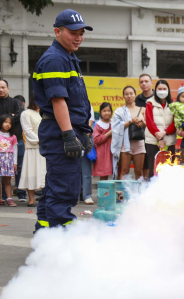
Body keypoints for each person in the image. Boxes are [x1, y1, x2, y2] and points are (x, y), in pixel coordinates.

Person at [32, 9, 93, 230]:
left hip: (65, 129)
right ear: (57, 31)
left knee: (56, 186)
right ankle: (61, 241)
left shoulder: (67, 57)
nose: (79, 37)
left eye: (82, 33)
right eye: (73, 32)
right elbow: (59, 101)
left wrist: (83, 132)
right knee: (64, 189)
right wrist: (69, 135)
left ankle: (45, 236)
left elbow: (77, 103)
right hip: (59, 131)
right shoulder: (55, 59)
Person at [112, 86, 146, 179]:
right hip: (125, 143)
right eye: (126, 94)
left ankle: (139, 193)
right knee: (124, 170)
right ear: (123, 96)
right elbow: (116, 127)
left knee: (139, 171)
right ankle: (122, 193)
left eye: (131, 93)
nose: (129, 96)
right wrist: (131, 121)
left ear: (135, 95)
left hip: (139, 143)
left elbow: (148, 126)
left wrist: (141, 122)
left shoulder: (142, 109)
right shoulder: (120, 111)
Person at [0, 81, 25, 202]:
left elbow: (19, 115)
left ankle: (21, 193)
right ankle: (4, 196)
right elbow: (11, 118)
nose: (1, 89)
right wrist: (11, 116)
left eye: (3, 87)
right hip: (1, 141)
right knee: (2, 170)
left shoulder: (16, 102)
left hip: (16, 139)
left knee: (18, 167)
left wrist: (5, 117)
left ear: (8, 88)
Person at [19, 94, 45, 207]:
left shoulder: (44, 114)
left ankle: (44, 198)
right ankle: (31, 199)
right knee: (31, 172)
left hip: (44, 148)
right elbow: (27, 130)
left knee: (43, 173)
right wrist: (39, 140)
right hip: (32, 147)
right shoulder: (26, 113)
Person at [145, 80, 176, 177]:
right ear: (155, 90)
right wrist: (160, 138)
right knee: (153, 170)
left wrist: (165, 132)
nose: (162, 91)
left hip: (169, 141)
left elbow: (175, 123)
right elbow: (150, 123)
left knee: (169, 169)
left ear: (168, 90)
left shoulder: (173, 105)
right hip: (153, 142)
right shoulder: (150, 103)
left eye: (164, 89)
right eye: (159, 89)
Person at [135, 74, 154, 180]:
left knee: (156, 161)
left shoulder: (158, 97)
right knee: (145, 162)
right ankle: (145, 186)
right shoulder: (137, 99)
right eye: (141, 82)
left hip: (156, 134)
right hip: (142, 134)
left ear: (152, 83)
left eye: (146, 81)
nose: (144, 84)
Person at [0, 115, 18, 207]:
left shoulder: (13, 136)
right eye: (6, 122)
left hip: (8, 159)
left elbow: (15, 150)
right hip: (0, 158)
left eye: (10, 123)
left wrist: (15, 163)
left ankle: (9, 198)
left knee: (7, 181)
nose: (8, 124)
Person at [92, 102, 113, 180]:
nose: (107, 113)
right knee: (104, 174)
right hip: (103, 152)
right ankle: (103, 192)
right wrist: (109, 133)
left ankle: (110, 191)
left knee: (115, 172)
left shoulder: (114, 122)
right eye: (104, 111)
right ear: (100, 112)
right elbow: (96, 140)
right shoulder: (98, 125)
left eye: (108, 110)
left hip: (113, 151)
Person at [81, 103, 95, 205]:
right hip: (70, 138)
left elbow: (90, 124)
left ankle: (87, 196)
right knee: (72, 171)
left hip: (84, 139)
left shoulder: (88, 105)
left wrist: (84, 138)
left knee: (86, 172)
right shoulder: (67, 102)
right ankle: (74, 195)